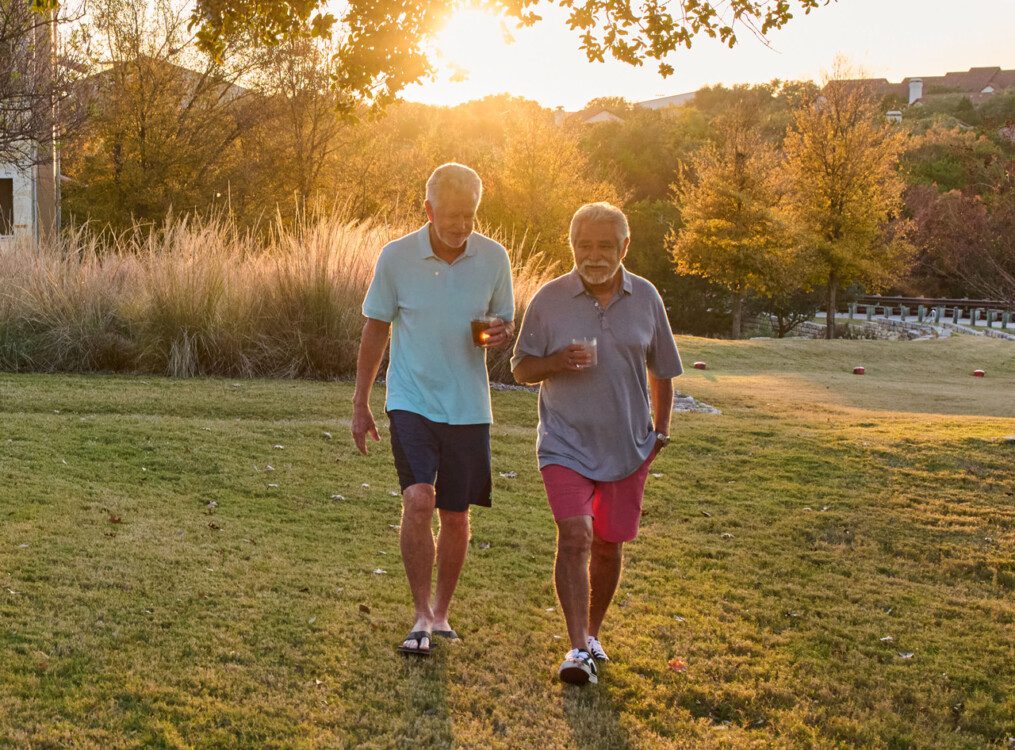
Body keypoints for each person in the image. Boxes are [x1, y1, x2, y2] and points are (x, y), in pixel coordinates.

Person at [511, 202, 682, 685]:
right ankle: (576, 646)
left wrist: (661, 430)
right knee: (577, 535)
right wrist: (557, 362)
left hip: (628, 445)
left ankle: (592, 635)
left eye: (605, 245)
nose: (594, 255)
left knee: (608, 545)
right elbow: (520, 369)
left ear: (624, 247)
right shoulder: (549, 300)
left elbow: (663, 370)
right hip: (564, 442)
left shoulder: (647, 298)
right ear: (571, 246)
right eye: (583, 245)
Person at [351, 163, 514, 656]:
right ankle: (420, 613)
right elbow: (376, 328)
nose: (461, 226)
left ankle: (442, 614)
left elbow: (504, 324)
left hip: (468, 405)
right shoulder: (397, 256)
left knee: (457, 515)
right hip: (411, 399)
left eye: (469, 216)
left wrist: (502, 335)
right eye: (451, 215)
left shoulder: (494, 258)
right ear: (428, 210)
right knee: (419, 500)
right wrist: (361, 402)